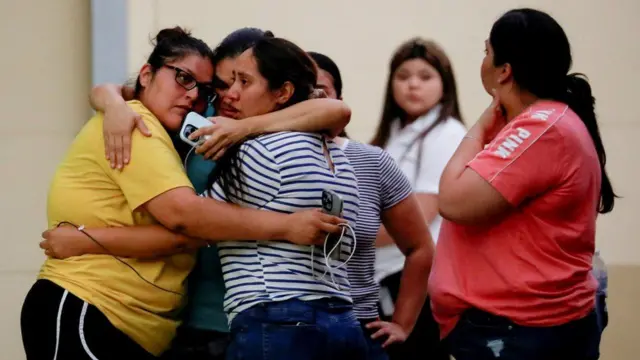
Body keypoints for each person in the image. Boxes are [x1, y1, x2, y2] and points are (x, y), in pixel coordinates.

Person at [24, 27, 345, 360]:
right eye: (219, 85)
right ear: (147, 75)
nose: (227, 94)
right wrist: (115, 104)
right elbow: (185, 219)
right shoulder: (160, 124)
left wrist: (244, 128)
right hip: (123, 310)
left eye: (241, 82)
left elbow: (338, 111)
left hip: (252, 317)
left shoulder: (262, 123)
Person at [191, 51, 435, 359]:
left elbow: (192, 220)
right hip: (341, 322)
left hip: (281, 318)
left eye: (245, 82)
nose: (233, 93)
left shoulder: (258, 153)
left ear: (285, 95)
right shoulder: (340, 165)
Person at [430, 8, 617, 360]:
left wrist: (480, 127)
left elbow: (453, 202)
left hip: (519, 331)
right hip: (521, 328)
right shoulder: (548, 122)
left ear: (505, 70)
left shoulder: (540, 128)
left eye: (487, 52)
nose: (483, 61)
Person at [370, 38, 466, 360]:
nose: (413, 84)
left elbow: (420, 217)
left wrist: (348, 239)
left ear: (445, 84)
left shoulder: (448, 133)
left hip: (418, 280)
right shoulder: (392, 133)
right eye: (403, 76)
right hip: (383, 275)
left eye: (425, 76)